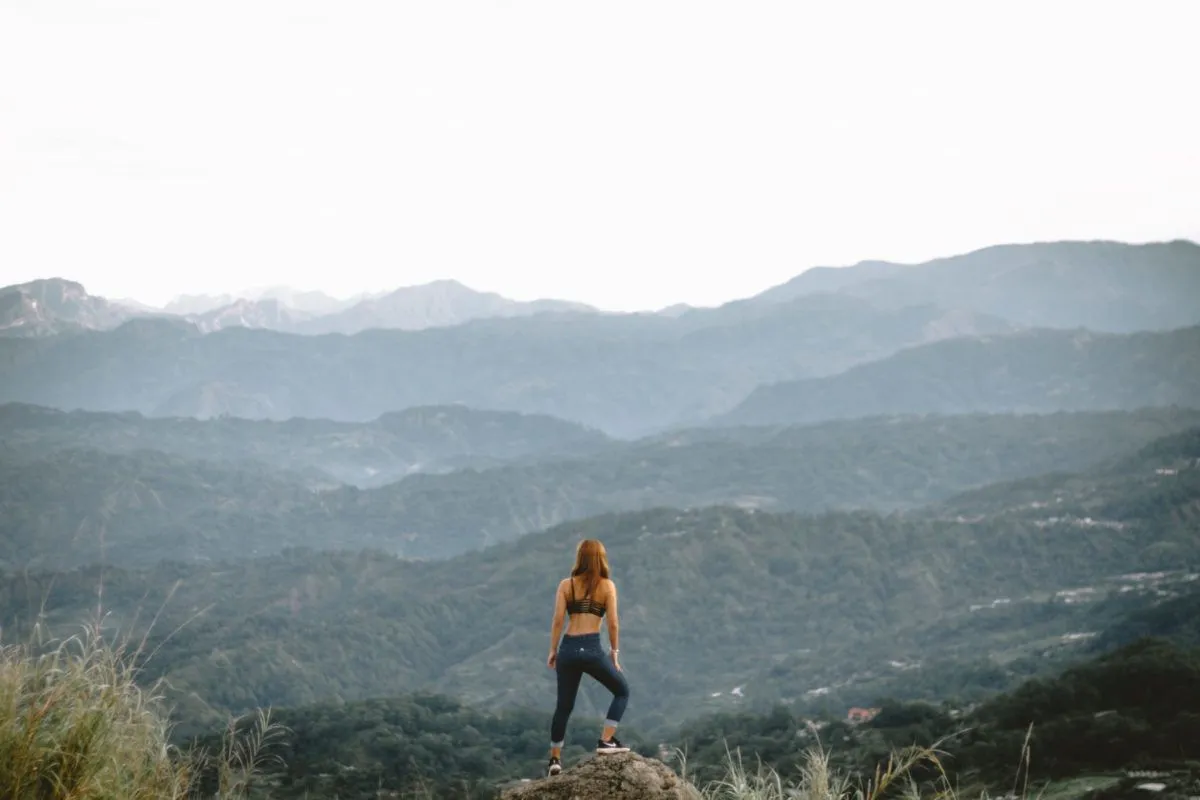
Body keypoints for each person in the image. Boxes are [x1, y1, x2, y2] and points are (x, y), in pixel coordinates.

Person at [545, 538, 630, 777]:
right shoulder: (607, 586)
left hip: (568, 648)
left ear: (579, 558)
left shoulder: (566, 585)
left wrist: (553, 650)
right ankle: (606, 741)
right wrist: (614, 653)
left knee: (564, 706)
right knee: (622, 691)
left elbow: (558, 620)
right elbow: (613, 623)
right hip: (592, 648)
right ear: (601, 559)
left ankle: (554, 759)